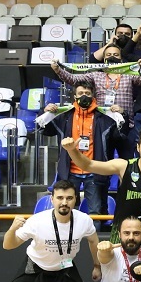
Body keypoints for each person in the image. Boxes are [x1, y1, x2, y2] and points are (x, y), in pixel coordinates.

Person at [60, 128, 141, 247]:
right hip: (121, 238)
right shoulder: (123, 167)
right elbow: (88, 165)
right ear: (138, 147)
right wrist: (72, 150)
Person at [38, 83, 125, 225]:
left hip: (94, 171)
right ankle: (68, 237)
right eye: (80, 93)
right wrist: (45, 111)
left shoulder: (104, 117)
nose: (84, 96)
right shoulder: (65, 116)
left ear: (93, 96)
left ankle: (95, 239)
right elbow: (44, 129)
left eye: (87, 93)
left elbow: (120, 136)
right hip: (70, 171)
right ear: (75, 96)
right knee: (66, 210)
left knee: (96, 212)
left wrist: (121, 114)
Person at [51, 53, 141, 134]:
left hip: (126, 124)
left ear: (121, 59)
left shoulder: (129, 75)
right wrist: (58, 70)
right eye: (109, 55)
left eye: (116, 55)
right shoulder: (96, 75)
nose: (112, 57)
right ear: (104, 59)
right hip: (102, 124)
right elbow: (74, 79)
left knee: (126, 152)